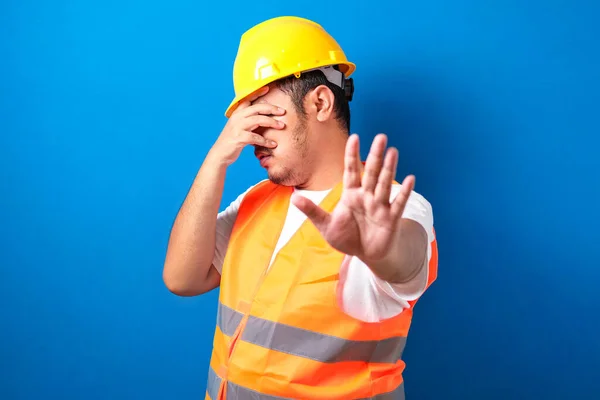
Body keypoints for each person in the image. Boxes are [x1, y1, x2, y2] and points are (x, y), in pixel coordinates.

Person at [163, 15, 438, 400]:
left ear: (321, 102)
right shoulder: (256, 202)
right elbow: (182, 279)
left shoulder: (392, 206)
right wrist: (215, 161)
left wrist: (381, 251)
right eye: (246, 121)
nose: (252, 138)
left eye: (265, 115)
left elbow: (406, 263)